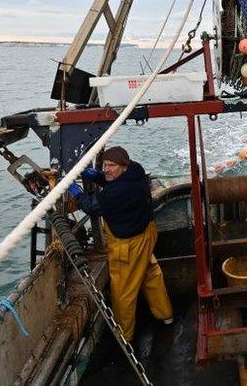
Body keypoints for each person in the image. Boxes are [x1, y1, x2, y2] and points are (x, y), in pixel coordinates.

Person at [65, 146, 173, 341]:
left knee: (124, 290)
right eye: (104, 165)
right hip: (147, 233)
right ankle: (166, 316)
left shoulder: (115, 193)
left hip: (128, 245)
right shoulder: (136, 170)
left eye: (111, 165)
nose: (106, 169)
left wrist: (74, 189)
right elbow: (110, 180)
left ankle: (125, 335)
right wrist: (94, 175)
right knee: (151, 275)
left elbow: (91, 206)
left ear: (123, 166)